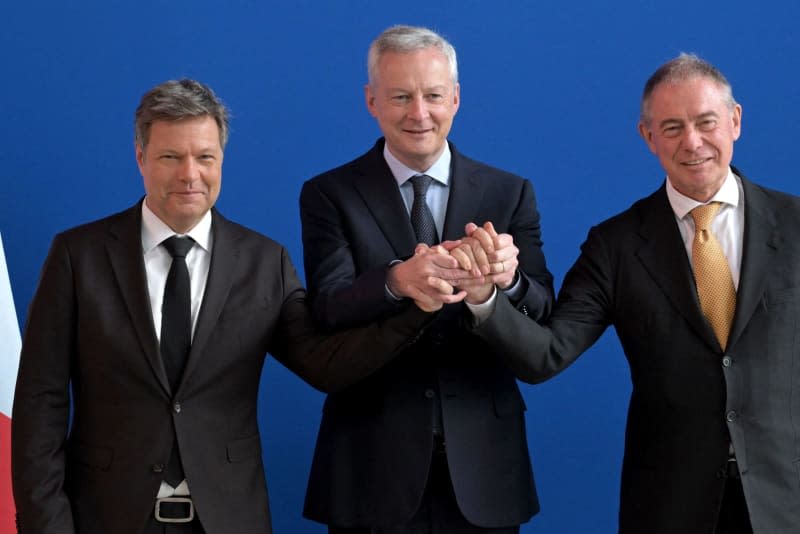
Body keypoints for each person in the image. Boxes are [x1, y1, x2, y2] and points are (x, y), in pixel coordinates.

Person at [11, 79, 440, 534]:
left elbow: (324, 365)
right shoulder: (78, 256)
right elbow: (40, 405)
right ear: (141, 158)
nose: (189, 175)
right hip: (102, 518)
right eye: (171, 157)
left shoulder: (264, 261)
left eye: (205, 157)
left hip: (228, 519)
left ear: (221, 159)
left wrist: (417, 304)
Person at [469, 53, 800, 534]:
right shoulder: (615, 245)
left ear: (735, 121)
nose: (692, 142)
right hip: (670, 505)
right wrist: (483, 297)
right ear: (648, 137)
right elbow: (546, 355)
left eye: (706, 123)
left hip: (787, 499)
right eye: (671, 128)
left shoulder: (794, 224)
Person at [299, 25, 554, 533]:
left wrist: (502, 285)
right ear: (371, 101)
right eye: (400, 97)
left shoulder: (510, 192)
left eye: (433, 95)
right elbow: (326, 308)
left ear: (455, 99)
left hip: (485, 464)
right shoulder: (328, 194)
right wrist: (397, 281)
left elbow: (544, 308)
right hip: (370, 462)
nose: (419, 113)